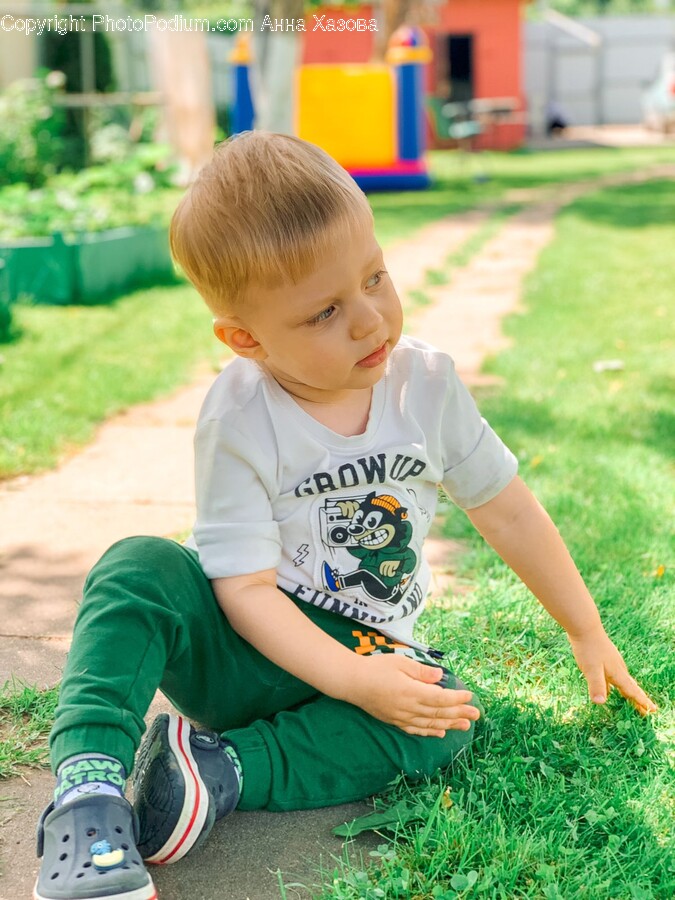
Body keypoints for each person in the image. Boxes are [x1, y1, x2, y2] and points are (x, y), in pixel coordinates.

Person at [34, 132, 656, 900]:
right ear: (245, 339)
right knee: (139, 565)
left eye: (374, 277)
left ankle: (213, 774)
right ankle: (87, 797)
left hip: (361, 642)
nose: (368, 320)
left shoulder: (424, 384)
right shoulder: (240, 412)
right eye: (325, 311)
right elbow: (245, 591)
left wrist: (583, 627)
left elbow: (507, 510)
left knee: (444, 713)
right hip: (243, 644)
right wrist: (355, 680)